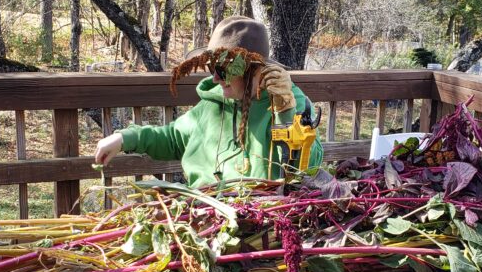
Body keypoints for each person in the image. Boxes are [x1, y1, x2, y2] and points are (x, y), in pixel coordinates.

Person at [93, 16, 324, 186]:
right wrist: (124, 138)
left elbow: (305, 167)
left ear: (252, 69)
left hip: (261, 217)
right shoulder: (210, 106)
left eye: (222, 70)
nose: (214, 78)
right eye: (211, 68)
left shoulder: (291, 103)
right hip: (204, 211)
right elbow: (173, 138)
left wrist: (285, 113)